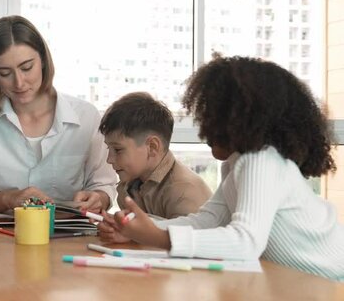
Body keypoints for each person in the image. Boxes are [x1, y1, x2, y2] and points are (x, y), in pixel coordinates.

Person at [98, 55, 344, 281]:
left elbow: (246, 241)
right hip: (303, 284)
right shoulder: (236, 164)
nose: (204, 124)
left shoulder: (261, 161)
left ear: (240, 119)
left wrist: (158, 237)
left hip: (332, 284)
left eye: (211, 115)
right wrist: (138, 230)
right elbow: (209, 220)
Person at [0, 15, 116, 213]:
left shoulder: (86, 117)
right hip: (4, 236)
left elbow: (104, 186)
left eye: (26, 68)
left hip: (72, 236)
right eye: (5, 73)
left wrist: (98, 199)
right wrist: (9, 198)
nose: (19, 82)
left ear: (42, 60)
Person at [99, 92, 211, 219]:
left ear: (152, 147)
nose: (109, 159)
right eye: (109, 148)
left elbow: (180, 238)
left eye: (118, 150)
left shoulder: (184, 192)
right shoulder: (128, 187)